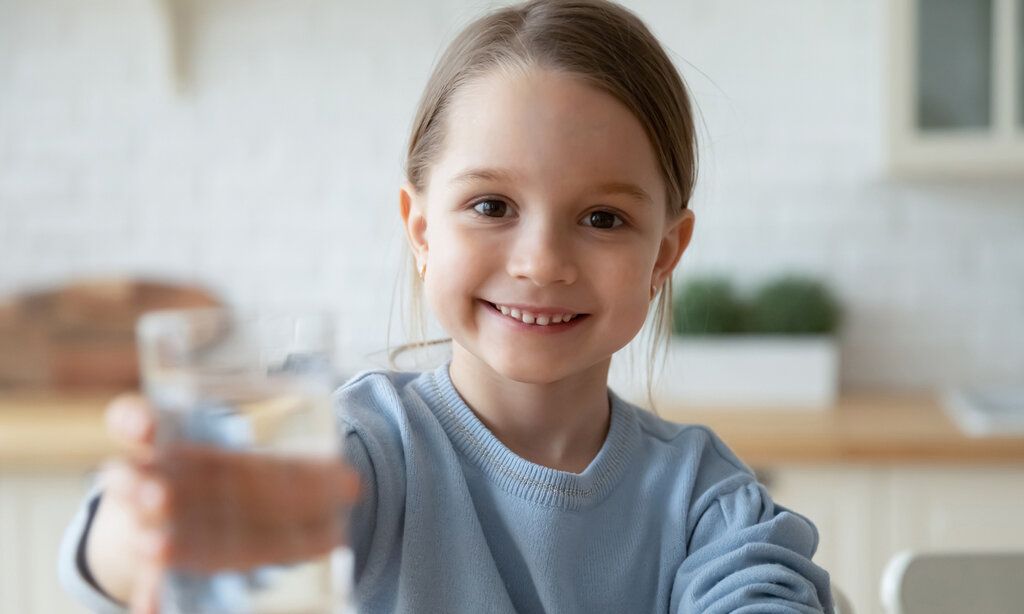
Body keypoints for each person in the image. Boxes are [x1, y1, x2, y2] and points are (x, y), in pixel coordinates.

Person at [58, 0, 834, 612]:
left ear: (664, 254)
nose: (541, 262)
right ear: (421, 230)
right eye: (492, 205)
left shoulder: (708, 500)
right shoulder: (359, 454)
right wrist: (144, 530)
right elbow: (211, 528)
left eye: (602, 218)